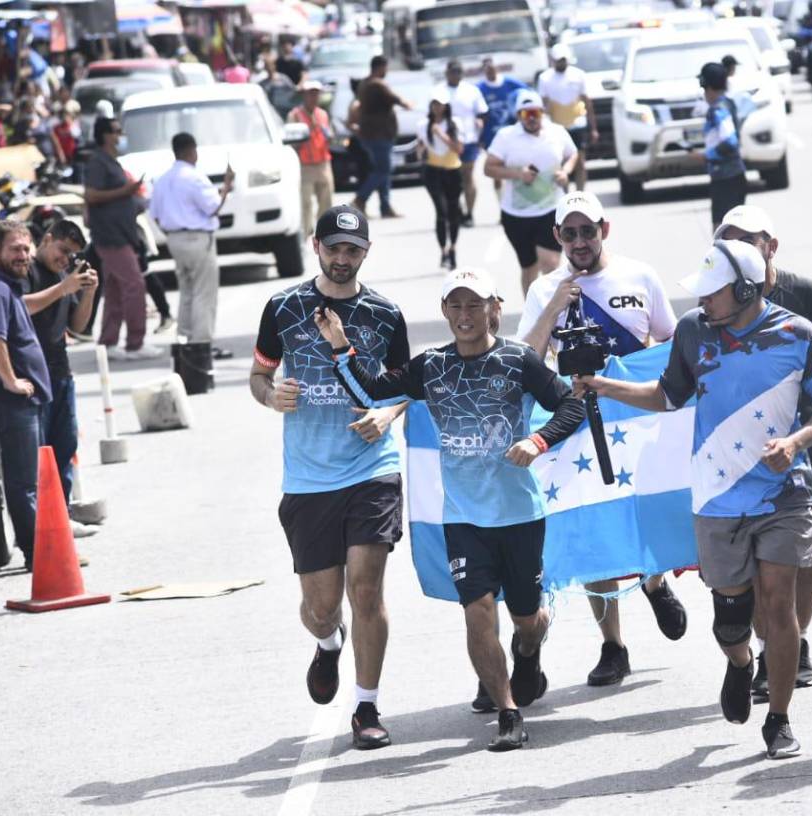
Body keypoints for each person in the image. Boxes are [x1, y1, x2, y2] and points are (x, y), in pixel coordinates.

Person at [573, 240, 812, 759]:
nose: (701, 302)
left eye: (711, 292)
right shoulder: (694, 332)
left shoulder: (798, 334)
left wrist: (795, 443)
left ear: (745, 288)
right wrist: (605, 386)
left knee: (778, 602)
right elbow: (667, 395)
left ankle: (780, 718)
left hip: (783, 493)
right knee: (730, 620)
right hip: (717, 498)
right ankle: (740, 662)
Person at [316, 266, 586, 752]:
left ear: (494, 309)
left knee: (527, 618)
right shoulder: (432, 366)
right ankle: (507, 711)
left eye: (474, 305)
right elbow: (374, 390)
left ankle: (528, 649)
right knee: (478, 611)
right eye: (456, 306)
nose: (465, 315)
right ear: (444, 312)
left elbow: (571, 406)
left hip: (519, 515)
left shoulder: (519, 360)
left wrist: (537, 440)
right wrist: (340, 346)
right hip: (463, 518)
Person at [249, 205, 410, 751]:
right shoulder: (284, 307)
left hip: (372, 469)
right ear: (316, 246)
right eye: (334, 248)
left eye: (353, 250)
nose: (343, 259)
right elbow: (259, 374)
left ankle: (366, 705)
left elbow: (402, 386)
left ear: (366, 252)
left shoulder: (386, 314)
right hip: (310, 478)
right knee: (321, 606)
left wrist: (387, 415)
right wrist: (272, 396)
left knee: (367, 589)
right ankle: (328, 641)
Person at [517, 190, 685, 690]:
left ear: (603, 230)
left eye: (587, 230)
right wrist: (555, 303)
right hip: (578, 419)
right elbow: (526, 356)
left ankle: (655, 583)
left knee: (647, 509)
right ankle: (613, 644)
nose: (580, 241)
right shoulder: (545, 288)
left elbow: (672, 345)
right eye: (569, 233)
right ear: (558, 238)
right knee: (594, 523)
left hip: (635, 415)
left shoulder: (640, 275)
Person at [713, 204, 812, 700]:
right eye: (726, 244)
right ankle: (769, 647)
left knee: (804, 551)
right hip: (739, 453)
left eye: (745, 242)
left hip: (802, 441)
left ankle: (795, 642)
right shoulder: (718, 299)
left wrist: (800, 372)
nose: (735, 253)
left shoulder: (801, 293)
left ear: (769, 247)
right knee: (759, 565)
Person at [0, 221, 53, 569]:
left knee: (29, 481)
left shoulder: (3, 285)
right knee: (25, 484)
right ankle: (39, 555)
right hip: (13, 404)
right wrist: (11, 380)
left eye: (27, 248)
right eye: (15, 248)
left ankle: (44, 549)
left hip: (25, 402)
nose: (24, 255)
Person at [23, 219, 98, 536]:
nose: (65, 260)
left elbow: (77, 327)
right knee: (38, 456)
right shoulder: (27, 272)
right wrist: (63, 288)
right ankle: (41, 525)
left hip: (61, 373)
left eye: (71, 256)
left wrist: (88, 292)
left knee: (64, 449)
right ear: (48, 238)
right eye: (63, 251)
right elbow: (19, 308)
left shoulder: (62, 277)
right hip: (32, 377)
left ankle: (61, 516)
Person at [149, 132, 235, 358]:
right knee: (203, 292)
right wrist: (226, 187)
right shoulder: (195, 177)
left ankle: (184, 339)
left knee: (187, 290)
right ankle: (202, 344)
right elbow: (213, 207)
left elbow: (155, 215)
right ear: (192, 151)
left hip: (174, 239)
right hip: (197, 238)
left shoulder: (162, 179)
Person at [484, 90, 577, 296]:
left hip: (551, 209)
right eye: (526, 114)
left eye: (535, 112)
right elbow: (488, 168)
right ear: (518, 116)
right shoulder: (506, 136)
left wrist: (565, 171)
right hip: (516, 215)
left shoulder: (557, 132)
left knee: (551, 264)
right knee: (529, 267)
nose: (532, 118)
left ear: (542, 112)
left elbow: (573, 154)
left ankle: (556, 314)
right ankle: (533, 313)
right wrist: (518, 174)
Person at [84, 116, 160, 359]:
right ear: (105, 134)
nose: (121, 135)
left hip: (121, 234)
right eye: (117, 131)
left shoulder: (111, 162)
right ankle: (136, 342)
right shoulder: (97, 162)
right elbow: (92, 195)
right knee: (134, 285)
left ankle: (108, 344)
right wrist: (126, 191)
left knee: (116, 289)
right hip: (111, 236)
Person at [353, 56, 411, 218]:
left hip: (373, 134)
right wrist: (408, 104)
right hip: (379, 134)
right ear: (379, 67)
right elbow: (396, 99)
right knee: (384, 169)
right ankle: (360, 198)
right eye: (385, 68)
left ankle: (385, 206)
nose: (386, 72)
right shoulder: (377, 84)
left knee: (382, 170)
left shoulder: (365, 83)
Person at [537, 45, 597, 192]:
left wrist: (593, 127)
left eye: (563, 60)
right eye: (558, 60)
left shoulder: (578, 75)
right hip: (557, 126)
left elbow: (587, 102)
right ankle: (566, 196)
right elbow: (543, 105)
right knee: (560, 163)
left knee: (580, 162)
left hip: (578, 124)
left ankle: (581, 194)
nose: (561, 63)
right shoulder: (545, 78)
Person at [694, 63, 747, 229]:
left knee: (722, 233)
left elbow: (730, 142)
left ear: (709, 87)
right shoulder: (729, 103)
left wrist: (706, 156)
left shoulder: (718, 110)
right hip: (733, 175)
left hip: (725, 178)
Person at [419, 88, 464, 270]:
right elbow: (422, 145)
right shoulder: (423, 125)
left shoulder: (454, 124)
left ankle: (453, 247)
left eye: (440, 104)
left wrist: (440, 134)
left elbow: (458, 149)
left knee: (453, 211)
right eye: (434, 104)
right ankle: (443, 250)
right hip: (433, 171)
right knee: (441, 210)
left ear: (446, 106)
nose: (437, 108)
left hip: (452, 169)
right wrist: (420, 151)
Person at [441, 60, 488, 227]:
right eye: (453, 72)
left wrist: (480, 124)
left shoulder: (471, 91)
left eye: (458, 72)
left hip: (469, 140)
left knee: (467, 176)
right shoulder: (439, 91)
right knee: (452, 179)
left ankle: (470, 213)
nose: (455, 75)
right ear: (447, 73)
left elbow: (483, 112)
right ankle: (455, 211)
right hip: (447, 142)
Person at [475, 56, 528, 195]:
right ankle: (501, 205)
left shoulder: (510, 83)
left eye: (492, 67)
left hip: (514, 135)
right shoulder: (479, 89)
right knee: (497, 172)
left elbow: (528, 96)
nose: (490, 71)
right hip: (491, 137)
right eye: (487, 69)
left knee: (516, 167)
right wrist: (479, 137)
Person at [288, 80, 335, 235]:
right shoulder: (295, 115)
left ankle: (323, 230)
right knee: (305, 202)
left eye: (316, 94)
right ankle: (306, 232)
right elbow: (291, 141)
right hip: (304, 165)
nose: (313, 97)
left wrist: (329, 136)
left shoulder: (322, 114)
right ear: (304, 95)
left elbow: (329, 135)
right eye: (310, 94)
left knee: (326, 200)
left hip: (322, 163)